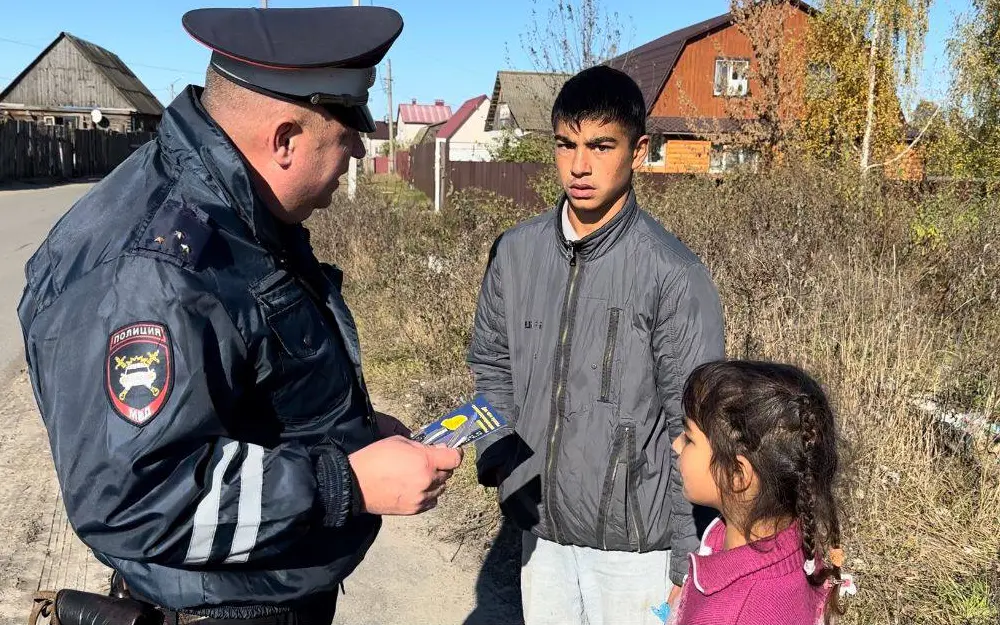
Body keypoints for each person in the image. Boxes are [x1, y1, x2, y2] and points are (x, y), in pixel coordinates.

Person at [17, 6, 463, 623]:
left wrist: (352, 437)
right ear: (283, 140)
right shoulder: (155, 271)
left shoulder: (232, 209)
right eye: (345, 136)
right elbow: (136, 499)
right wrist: (345, 483)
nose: (358, 152)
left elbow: (245, 378)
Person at [467, 65, 726, 625]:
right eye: (566, 144)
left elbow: (698, 426)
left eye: (601, 145)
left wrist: (691, 563)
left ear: (639, 150)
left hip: (638, 547)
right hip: (542, 531)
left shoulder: (673, 275)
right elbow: (491, 364)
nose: (579, 166)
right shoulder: (515, 254)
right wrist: (499, 454)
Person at [669, 360, 855, 625]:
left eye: (689, 438)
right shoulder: (795, 542)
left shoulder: (729, 616)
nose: (677, 445)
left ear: (737, 475)